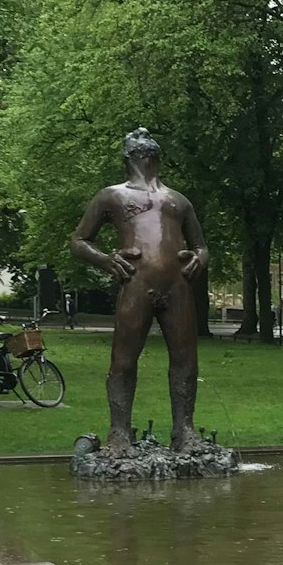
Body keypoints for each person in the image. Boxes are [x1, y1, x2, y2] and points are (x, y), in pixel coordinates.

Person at [70, 128, 210, 453]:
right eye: (139, 148)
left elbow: (202, 246)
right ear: (128, 158)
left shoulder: (178, 201)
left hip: (177, 287)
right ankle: (119, 433)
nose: (144, 147)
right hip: (136, 283)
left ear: (158, 158)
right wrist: (106, 261)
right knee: (123, 359)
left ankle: (184, 431)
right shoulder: (112, 196)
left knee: (186, 359)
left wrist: (198, 259)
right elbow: (78, 241)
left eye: (149, 149)